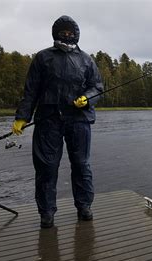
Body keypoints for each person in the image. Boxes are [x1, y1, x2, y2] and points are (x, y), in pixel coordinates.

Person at [12, 15, 103, 228]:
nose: (67, 35)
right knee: (46, 167)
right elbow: (31, 90)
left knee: (81, 165)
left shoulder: (87, 60)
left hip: (79, 119)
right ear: (56, 33)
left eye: (71, 32)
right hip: (48, 119)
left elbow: (97, 87)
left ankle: (84, 206)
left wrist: (87, 98)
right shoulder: (43, 58)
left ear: (77, 34)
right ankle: (46, 212)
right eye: (63, 32)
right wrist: (22, 117)